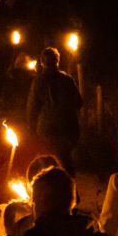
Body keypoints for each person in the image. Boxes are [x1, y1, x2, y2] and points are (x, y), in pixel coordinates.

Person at [27, 47, 82, 176]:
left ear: (41, 62)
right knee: (65, 160)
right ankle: (70, 190)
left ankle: (52, 190)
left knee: (48, 160)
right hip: (66, 126)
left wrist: (31, 129)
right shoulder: (67, 80)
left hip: (46, 127)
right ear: (58, 61)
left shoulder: (38, 81)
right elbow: (79, 102)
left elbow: (32, 107)